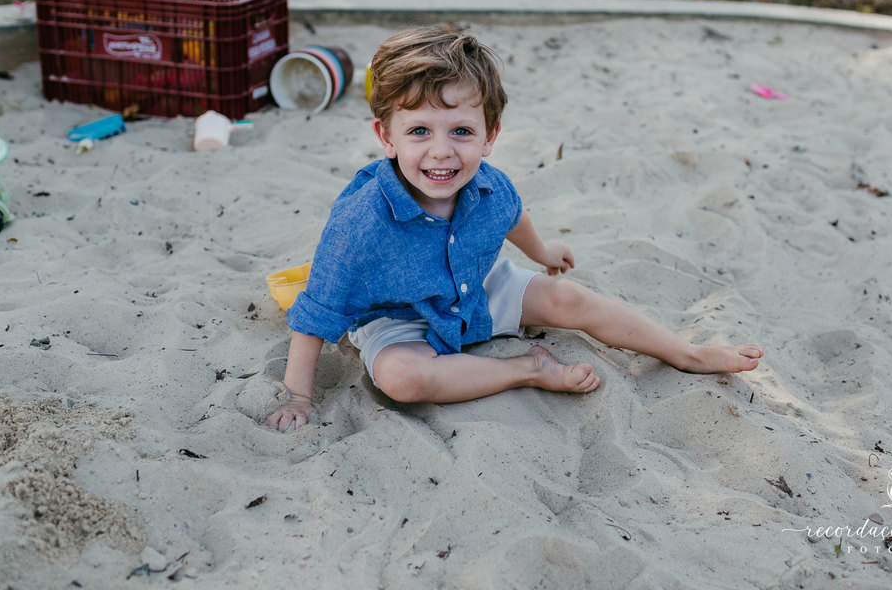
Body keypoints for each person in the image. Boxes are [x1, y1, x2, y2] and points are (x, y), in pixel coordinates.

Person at [267, 25, 762, 431]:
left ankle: (687, 352)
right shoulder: (361, 222)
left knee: (566, 296)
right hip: (398, 315)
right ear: (386, 137)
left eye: (461, 131)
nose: (441, 151)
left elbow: (512, 218)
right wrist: (297, 395)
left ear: (490, 137)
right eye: (419, 131)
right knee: (403, 378)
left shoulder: (487, 185)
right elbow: (317, 310)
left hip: (475, 285)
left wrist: (544, 252)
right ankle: (523, 369)